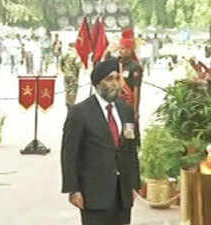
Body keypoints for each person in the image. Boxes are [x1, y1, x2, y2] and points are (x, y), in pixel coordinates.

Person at [61, 58, 141, 225]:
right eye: (109, 79)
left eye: (118, 78)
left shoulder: (125, 110)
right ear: (97, 83)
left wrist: (134, 183)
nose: (115, 83)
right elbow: (69, 154)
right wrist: (73, 189)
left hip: (122, 192)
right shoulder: (80, 112)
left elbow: (130, 149)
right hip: (94, 193)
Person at [60, 42, 81, 108]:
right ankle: (71, 105)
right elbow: (77, 65)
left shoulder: (64, 53)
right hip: (73, 75)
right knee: (73, 90)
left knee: (67, 89)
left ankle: (67, 103)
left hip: (66, 74)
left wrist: (64, 71)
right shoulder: (76, 54)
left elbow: (61, 64)